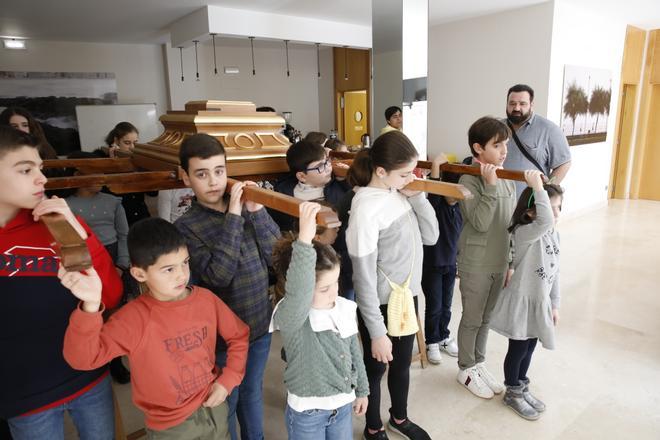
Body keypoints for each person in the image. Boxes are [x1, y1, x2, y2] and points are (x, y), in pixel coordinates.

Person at [61, 217, 250, 438]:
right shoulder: (133, 319)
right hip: (171, 428)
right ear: (140, 274)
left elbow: (239, 335)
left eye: (185, 262)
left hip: (215, 408)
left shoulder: (206, 299)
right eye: (168, 269)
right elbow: (82, 359)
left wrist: (228, 381)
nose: (181, 274)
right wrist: (90, 306)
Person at [0, 126, 122, 440]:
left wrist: (80, 232)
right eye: (26, 170)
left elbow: (110, 293)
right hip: (25, 394)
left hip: (87, 375)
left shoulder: (56, 222)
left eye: (40, 168)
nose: (42, 178)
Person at [175, 133, 280, 440]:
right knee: (227, 401)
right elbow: (218, 276)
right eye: (202, 174)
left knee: (252, 392)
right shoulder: (186, 226)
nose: (213, 182)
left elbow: (276, 256)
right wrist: (234, 216)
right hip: (222, 338)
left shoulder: (247, 208)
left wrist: (256, 210)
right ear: (186, 177)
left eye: (219, 171)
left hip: (260, 324)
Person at [347, 131, 438, 440]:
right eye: (404, 173)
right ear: (381, 171)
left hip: (407, 297)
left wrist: (419, 197)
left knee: (401, 366)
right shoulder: (365, 209)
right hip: (381, 305)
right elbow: (363, 278)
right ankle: (373, 428)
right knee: (375, 370)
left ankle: (399, 418)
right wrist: (376, 333)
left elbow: (432, 236)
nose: (410, 178)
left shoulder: (398, 192)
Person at [270, 202, 369, 439]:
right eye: (324, 289)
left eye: (335, 283)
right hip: (307, 415)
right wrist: (304, 238)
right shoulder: (294, 315)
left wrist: (362, 390)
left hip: (343, 407)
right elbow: (299, 290)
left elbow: (354, 350)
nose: (334, 293)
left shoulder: (342, 308)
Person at [455, 116, 520, 400]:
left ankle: (478, 363)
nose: (504, 150)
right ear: (478, 148)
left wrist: (511, 262)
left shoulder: (507, 179)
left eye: (505, 143)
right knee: (472, 318)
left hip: (498, 261)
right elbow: (480, 222)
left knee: (487, 318)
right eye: (497, 144)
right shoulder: (468, 179)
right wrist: (490, 185)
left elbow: (511, 225)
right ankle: (465, 368)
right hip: (476, 264)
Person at [490, 174, 563, 420]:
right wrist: (537, 187)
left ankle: (521, 385)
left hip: (540, 303)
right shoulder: (525, 233)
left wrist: (555, 304)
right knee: (519, 348)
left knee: (530, 346)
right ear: (533, 212)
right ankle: (512, 391)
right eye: (550, 208)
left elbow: (555, 272)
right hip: (523, 302)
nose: (556, 214)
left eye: (559, 207)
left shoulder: (554, 235)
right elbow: (544, 222)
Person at [421, 154, 463, 364]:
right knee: (434, 305)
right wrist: (436, 165)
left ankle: (444, 336)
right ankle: (432, 341)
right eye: (452, 192)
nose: (455, 197)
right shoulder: (435, 207)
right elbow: (434, 190)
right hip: (432, 265)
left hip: (449, 264)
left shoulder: (459, 209)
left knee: (447, 305)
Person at [503, 84, 572, 195]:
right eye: (512, 103)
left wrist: (547, 190)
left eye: (522, 104)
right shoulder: (497, 128)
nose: (516, 108)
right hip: (500, 200)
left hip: (531, 201)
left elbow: (564, 163)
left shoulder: (549, 129)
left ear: (531, 105)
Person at [271, 140, 350, 233]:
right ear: (302, 176)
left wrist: (347, 178)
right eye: (320, 166)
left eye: (327, 161)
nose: (328, 168)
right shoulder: (283, 194)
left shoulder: (340, 185)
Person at [100, 122, 155, 225]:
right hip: (118, 220)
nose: (132, 147)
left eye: (135, 142)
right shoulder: (102, 159)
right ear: (116, 141)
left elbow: (152, 193)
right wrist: (114, 166)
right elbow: (107, 194)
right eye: (127, 143)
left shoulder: (138, 160)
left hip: (141, 217)